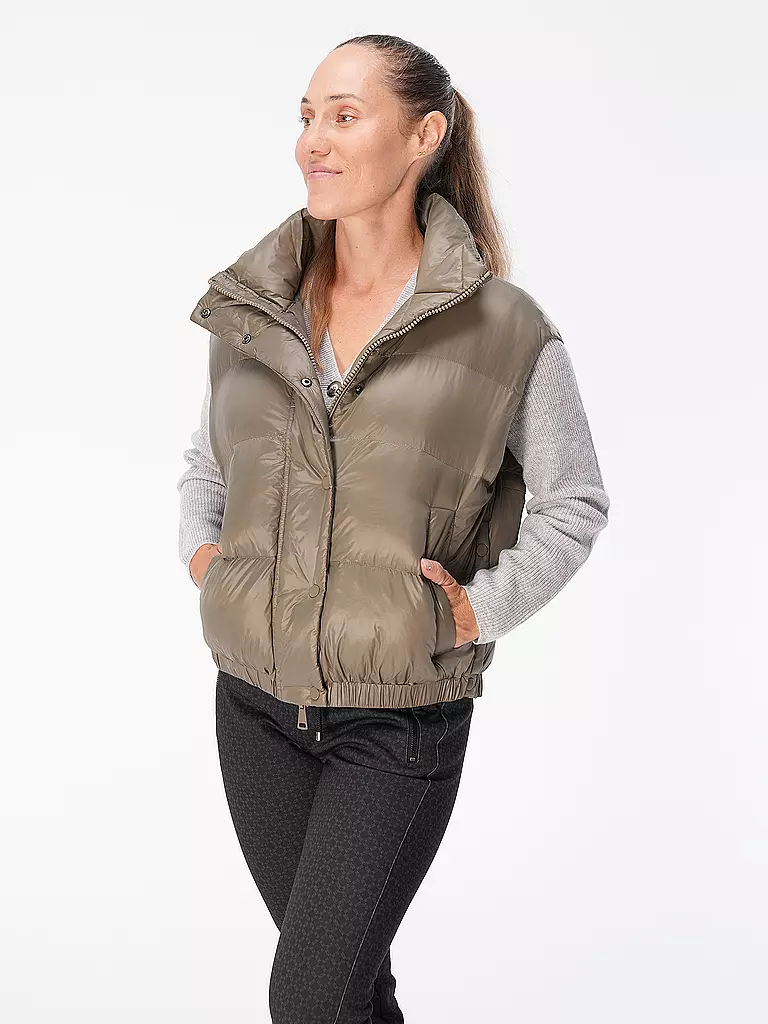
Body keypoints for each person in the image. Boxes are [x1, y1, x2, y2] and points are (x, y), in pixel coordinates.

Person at [177, 33, 610, 1024]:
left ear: (424, 135)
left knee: (310, 1001)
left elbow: (574, 499)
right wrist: (210, 562)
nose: (313, 142)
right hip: (253, 711)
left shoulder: (504, 329)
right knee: (351, 996)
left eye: (344, 115)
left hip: (399, 723)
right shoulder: (255, 307)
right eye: (306, 117)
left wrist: (477, 611)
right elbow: (209, 463)